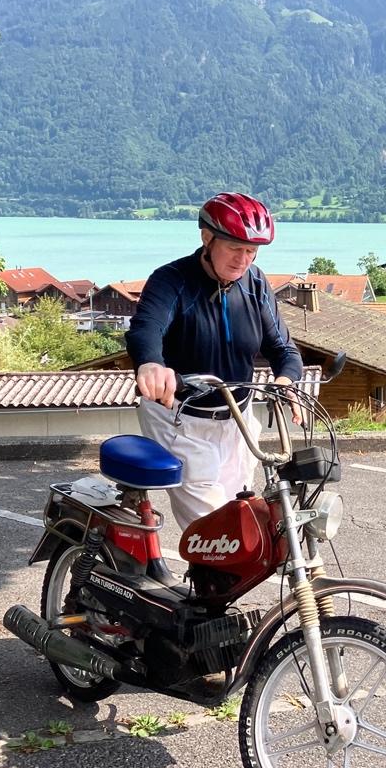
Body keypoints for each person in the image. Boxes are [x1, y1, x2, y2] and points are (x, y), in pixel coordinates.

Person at [127, 192, 304, 529]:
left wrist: (286, 380)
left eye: (251, 251)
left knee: (241, 522)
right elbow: (146, 328)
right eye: (234, 248)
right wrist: (150, 363)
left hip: (237, 422)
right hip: (181, 421)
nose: (244, 260)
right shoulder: (172, 280)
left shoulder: (255, 284)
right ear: (207, 238)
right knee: (216, 532)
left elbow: (284, 349)